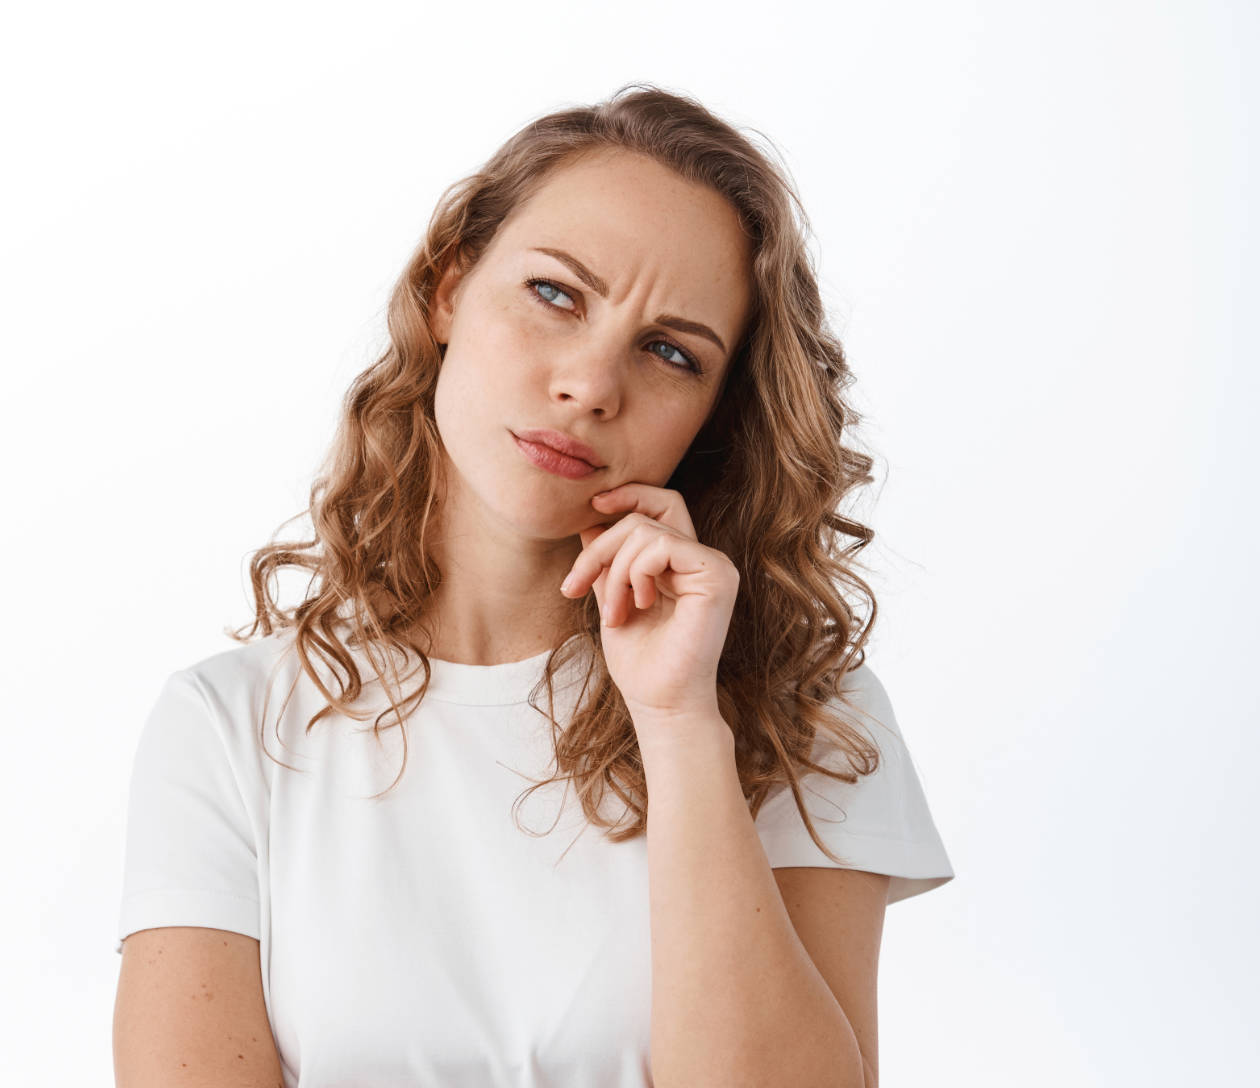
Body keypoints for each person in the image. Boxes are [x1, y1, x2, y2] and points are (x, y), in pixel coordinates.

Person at [111, 82, 955, 1088]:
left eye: (669, 352)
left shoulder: (808, 721)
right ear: (447, 290)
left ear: (712, 417)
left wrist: (681, 724)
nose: (592, 383)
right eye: (556, 293)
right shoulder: (230, 725)